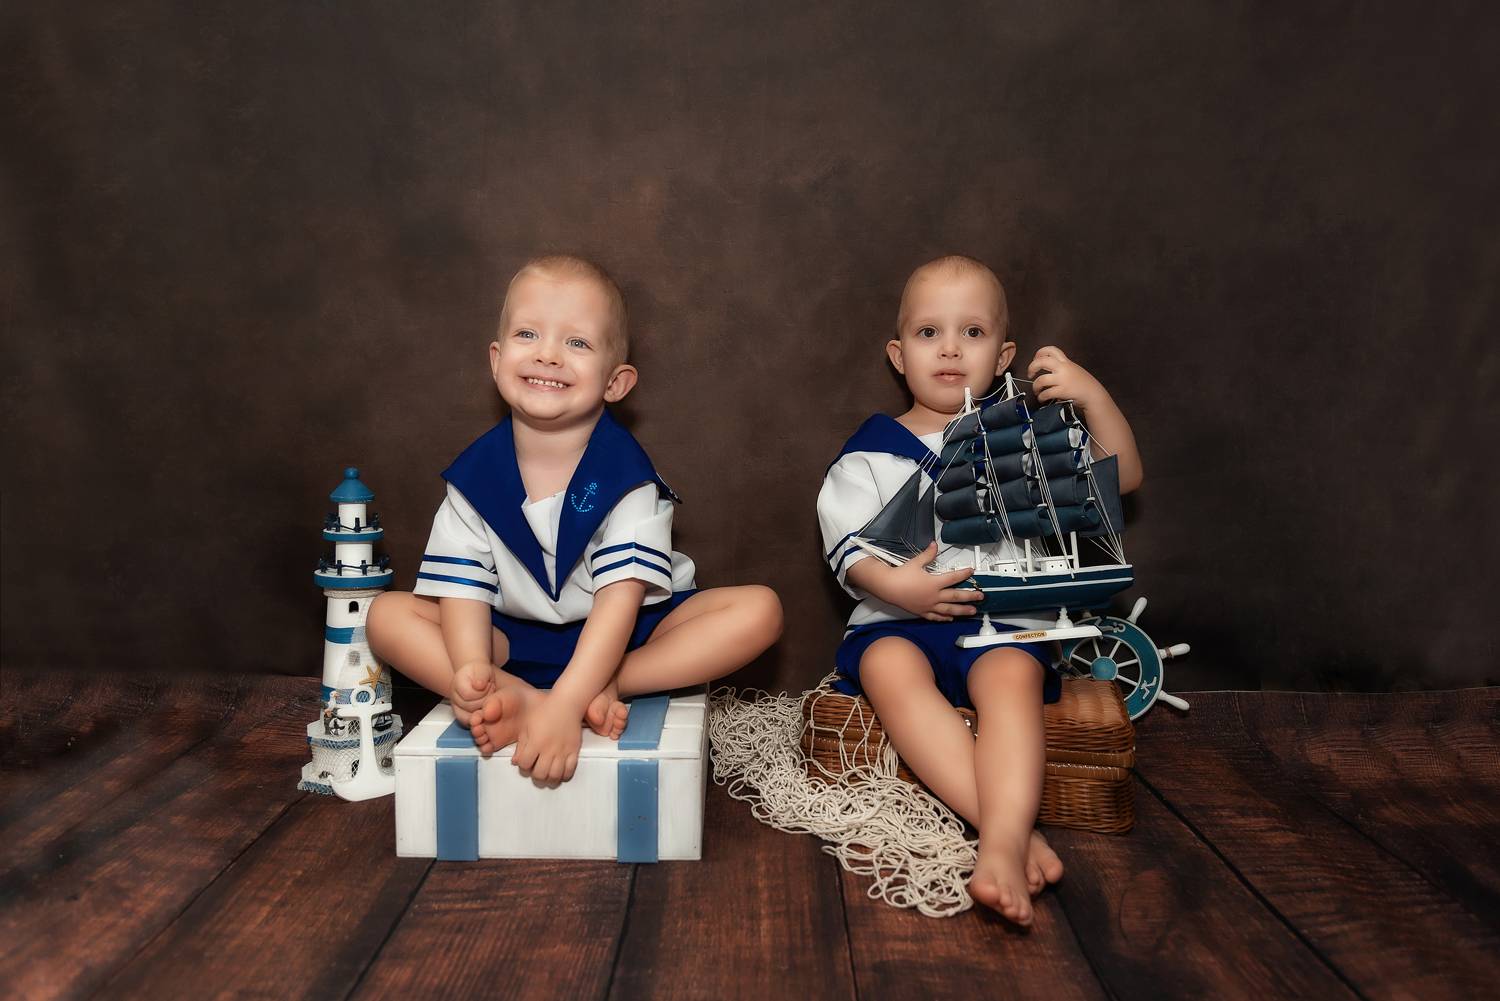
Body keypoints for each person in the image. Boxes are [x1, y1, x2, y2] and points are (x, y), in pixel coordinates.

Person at [369, 254, 782, 785]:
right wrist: (473, 669)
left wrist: (569, 701)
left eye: (577, 343)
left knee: (759, 610)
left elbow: (620, 601)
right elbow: (463, 588)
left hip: (628, 636)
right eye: (528, 334)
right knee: (386, 617)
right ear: (496, 359)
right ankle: (513, 695)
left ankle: (605, 687)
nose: (548, 354)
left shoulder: (627, 478)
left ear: (616, 382)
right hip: (513, 638)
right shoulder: (475, 476)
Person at [817, 255, 1143, 924]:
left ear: (1004, 356)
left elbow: (1123, 478)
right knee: (887, 670)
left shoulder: (1021, 440)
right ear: (898, 355)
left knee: (1011, 683)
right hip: (896, 621)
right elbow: (847, 546)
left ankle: (998, 844)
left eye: (972, 332)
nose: (949, 348)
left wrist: (1094, 399)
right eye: (928, 332)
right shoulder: (870, 453)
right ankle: (1013, 836)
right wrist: (898, 586)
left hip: (1003, 619)